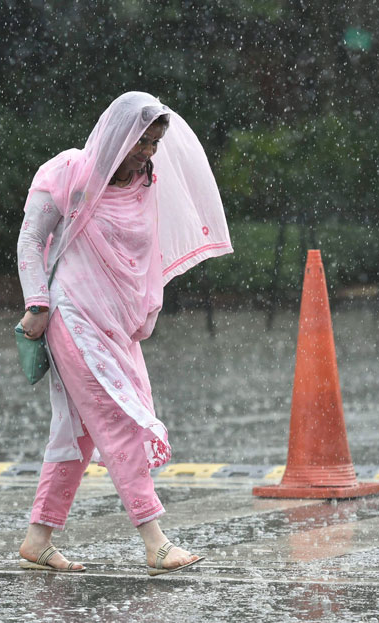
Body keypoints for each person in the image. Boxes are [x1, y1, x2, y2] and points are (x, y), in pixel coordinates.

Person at [15, 92, 232, 576]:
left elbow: (144, 258)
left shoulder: (145, 185)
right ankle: (155, 541)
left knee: (79, 434)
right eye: (142, 141)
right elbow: (31, 238)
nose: (148, 152)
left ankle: (38, 537)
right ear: (119, 133)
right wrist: (37, 304)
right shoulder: (70, 174)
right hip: (73, 321)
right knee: (120, 424)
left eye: (155, 143)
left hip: (117, 329)